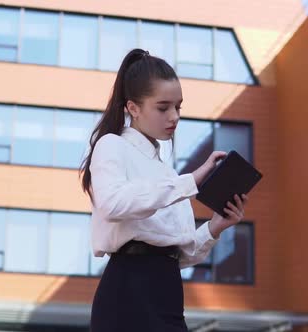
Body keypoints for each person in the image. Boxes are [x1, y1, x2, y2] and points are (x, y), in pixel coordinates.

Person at [80, 48, 249, 331]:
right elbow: (112, 204)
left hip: (167, 292)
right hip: (128, 293)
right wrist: (191, 181)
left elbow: (176, 254)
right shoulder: (112, 146)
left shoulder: (166, 172)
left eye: (178, 107)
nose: (174, 116)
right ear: (133, 108)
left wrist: (215, 227)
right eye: (163, 107)